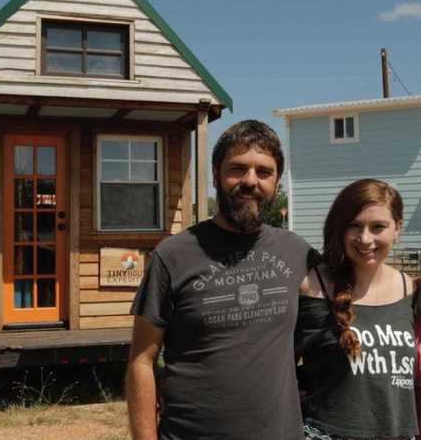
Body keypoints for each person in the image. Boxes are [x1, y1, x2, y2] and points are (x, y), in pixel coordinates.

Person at [126, 120, 315, 440]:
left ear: (277, 181)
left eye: (264, 172)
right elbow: (141, 361)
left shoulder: (297, 252)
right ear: (215, 174)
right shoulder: (172, 255)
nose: (250, 181)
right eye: (237, 169)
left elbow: (349, 304)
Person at [297, 179, 417, 439]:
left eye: (378, 227)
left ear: (397, 228)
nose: (365, 239)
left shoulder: (409, 289)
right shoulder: (313, 286)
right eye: (354, 226)